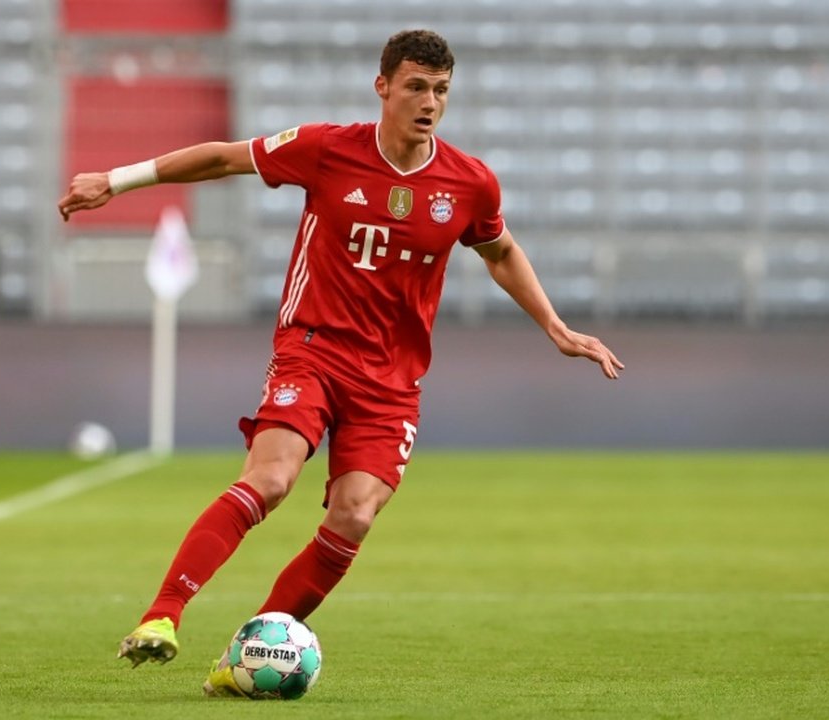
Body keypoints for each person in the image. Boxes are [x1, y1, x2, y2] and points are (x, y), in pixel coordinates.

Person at [58, 29, 623, 696]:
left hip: (393, 382)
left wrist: (554, 325)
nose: (430, 102)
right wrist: (115, 182)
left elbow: (498, 251)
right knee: (271, 479)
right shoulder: (326, 149)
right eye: (416, 86)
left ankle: (246, 658)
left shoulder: (468, 183)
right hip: (313, 349)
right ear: (382, 86)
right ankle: (163, 615)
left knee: (354, 515)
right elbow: (220, 159)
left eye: (441, 90)